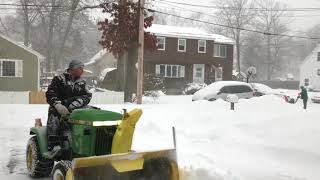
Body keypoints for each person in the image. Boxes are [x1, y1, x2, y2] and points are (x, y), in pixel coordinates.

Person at [46, 59, 92, 150]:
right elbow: (50, 93)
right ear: (72, 69)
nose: (82, 71)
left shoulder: (82, 82)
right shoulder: (59, 79)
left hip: (76, 108)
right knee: (54, 115)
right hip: (61, 108)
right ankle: (54, 143)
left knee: (92, 112)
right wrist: (58, 105)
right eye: (80, 68)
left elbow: (87, 96)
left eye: (82, 68)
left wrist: (77, 103)